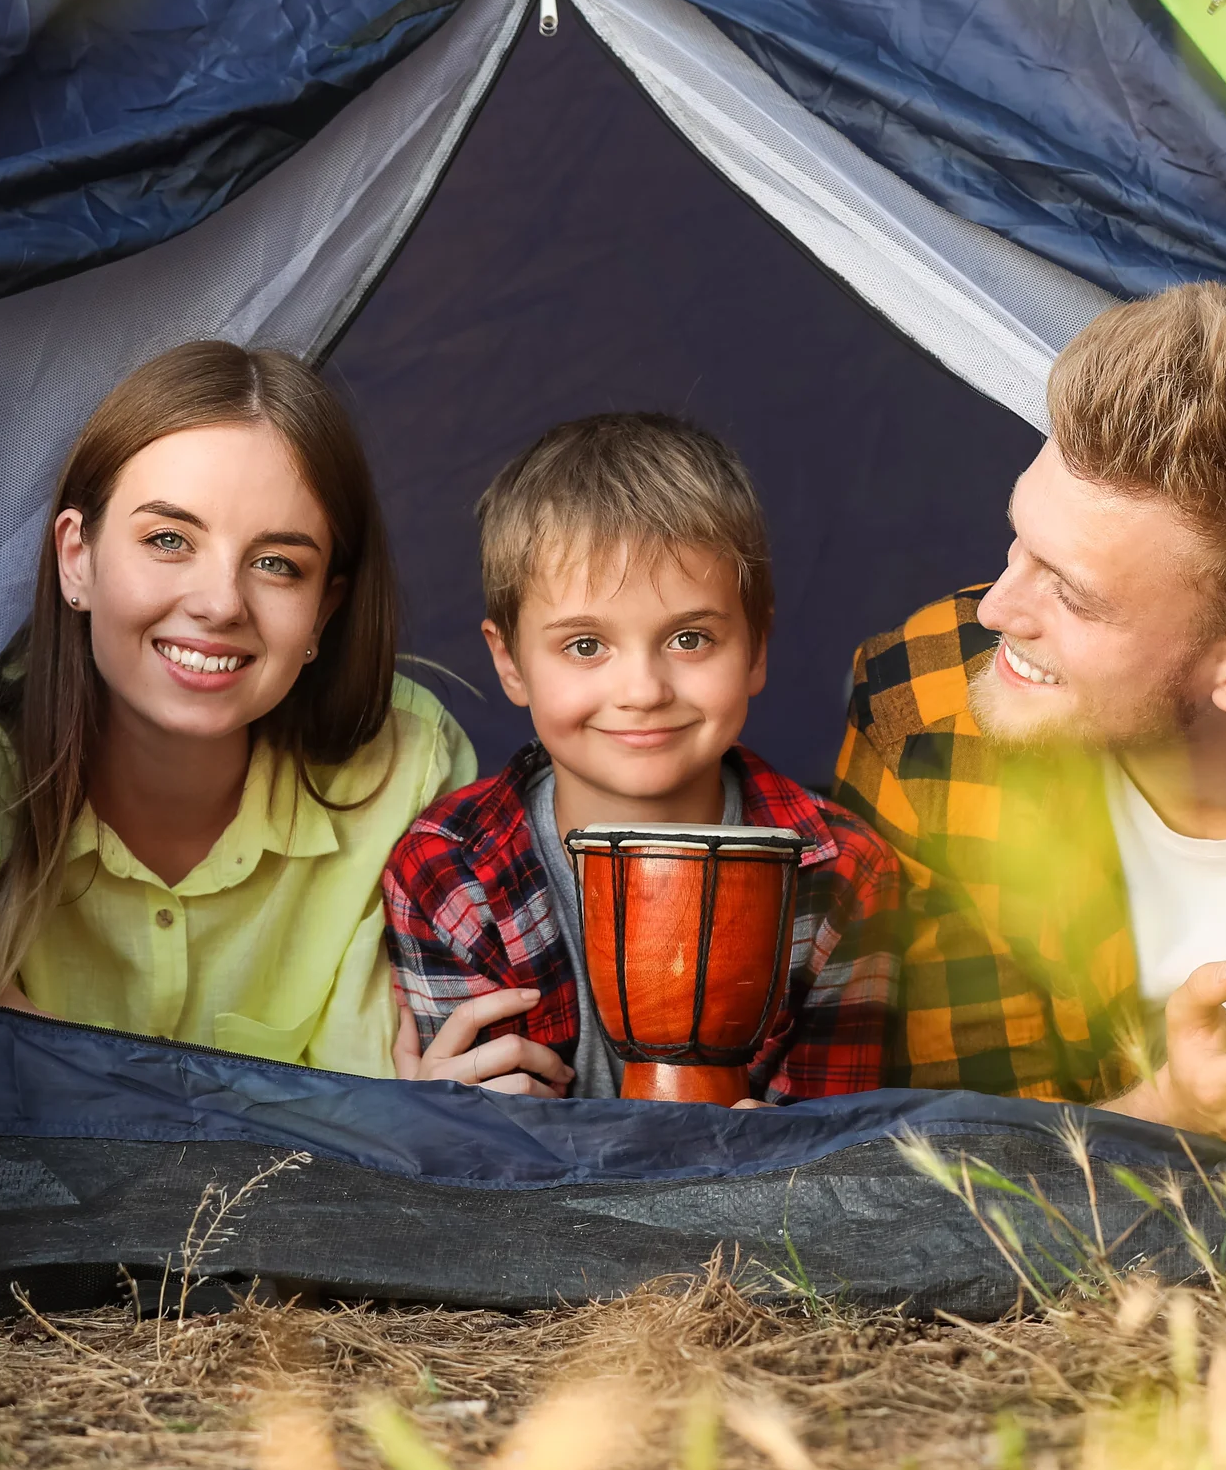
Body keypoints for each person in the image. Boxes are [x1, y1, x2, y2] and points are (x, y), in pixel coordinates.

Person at [833, 282, 1226, 1161]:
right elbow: (956, 1138)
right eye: (1019, 544)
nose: (998, 610)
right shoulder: (929, 700)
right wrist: (1172, 1115)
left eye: (1074, 596)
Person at [0, 341, 474, 1073]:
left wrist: (51, 1064)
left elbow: (388, 1133)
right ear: (78, 558)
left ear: (324, 610)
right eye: (169, 540)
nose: (219, 604)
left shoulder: (408, 770)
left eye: (278, 564)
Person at [382, 413, 897, 1101]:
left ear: (757, 648)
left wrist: (780, 1160)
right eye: (585, 646)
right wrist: (450, 1117)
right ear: (510, 663)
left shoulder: (840, 874)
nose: (644, 692)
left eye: (689, 639)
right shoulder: (448, 873)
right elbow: (480, 1158)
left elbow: (834, 1158)